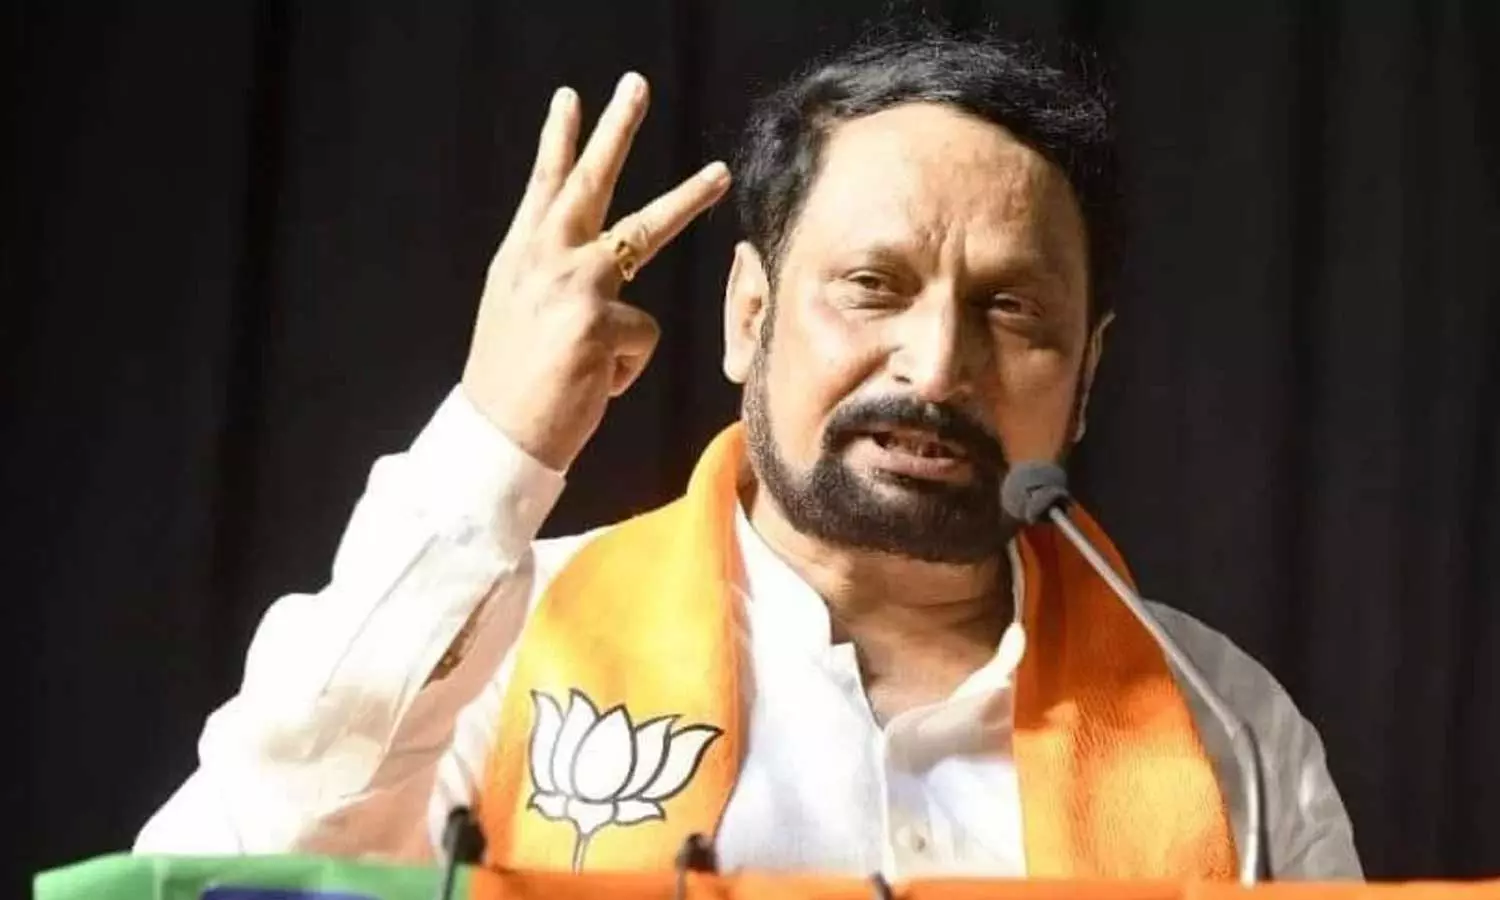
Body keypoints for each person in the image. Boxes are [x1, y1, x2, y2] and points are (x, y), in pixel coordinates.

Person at [135, 31, 1362, 881]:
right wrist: (490, 445)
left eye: (1012, 311)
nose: (936, 366)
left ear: (1086, 375)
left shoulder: (1229, 728)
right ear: (748, 315)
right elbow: (223, 871)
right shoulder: (507, 641)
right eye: (873, 285)